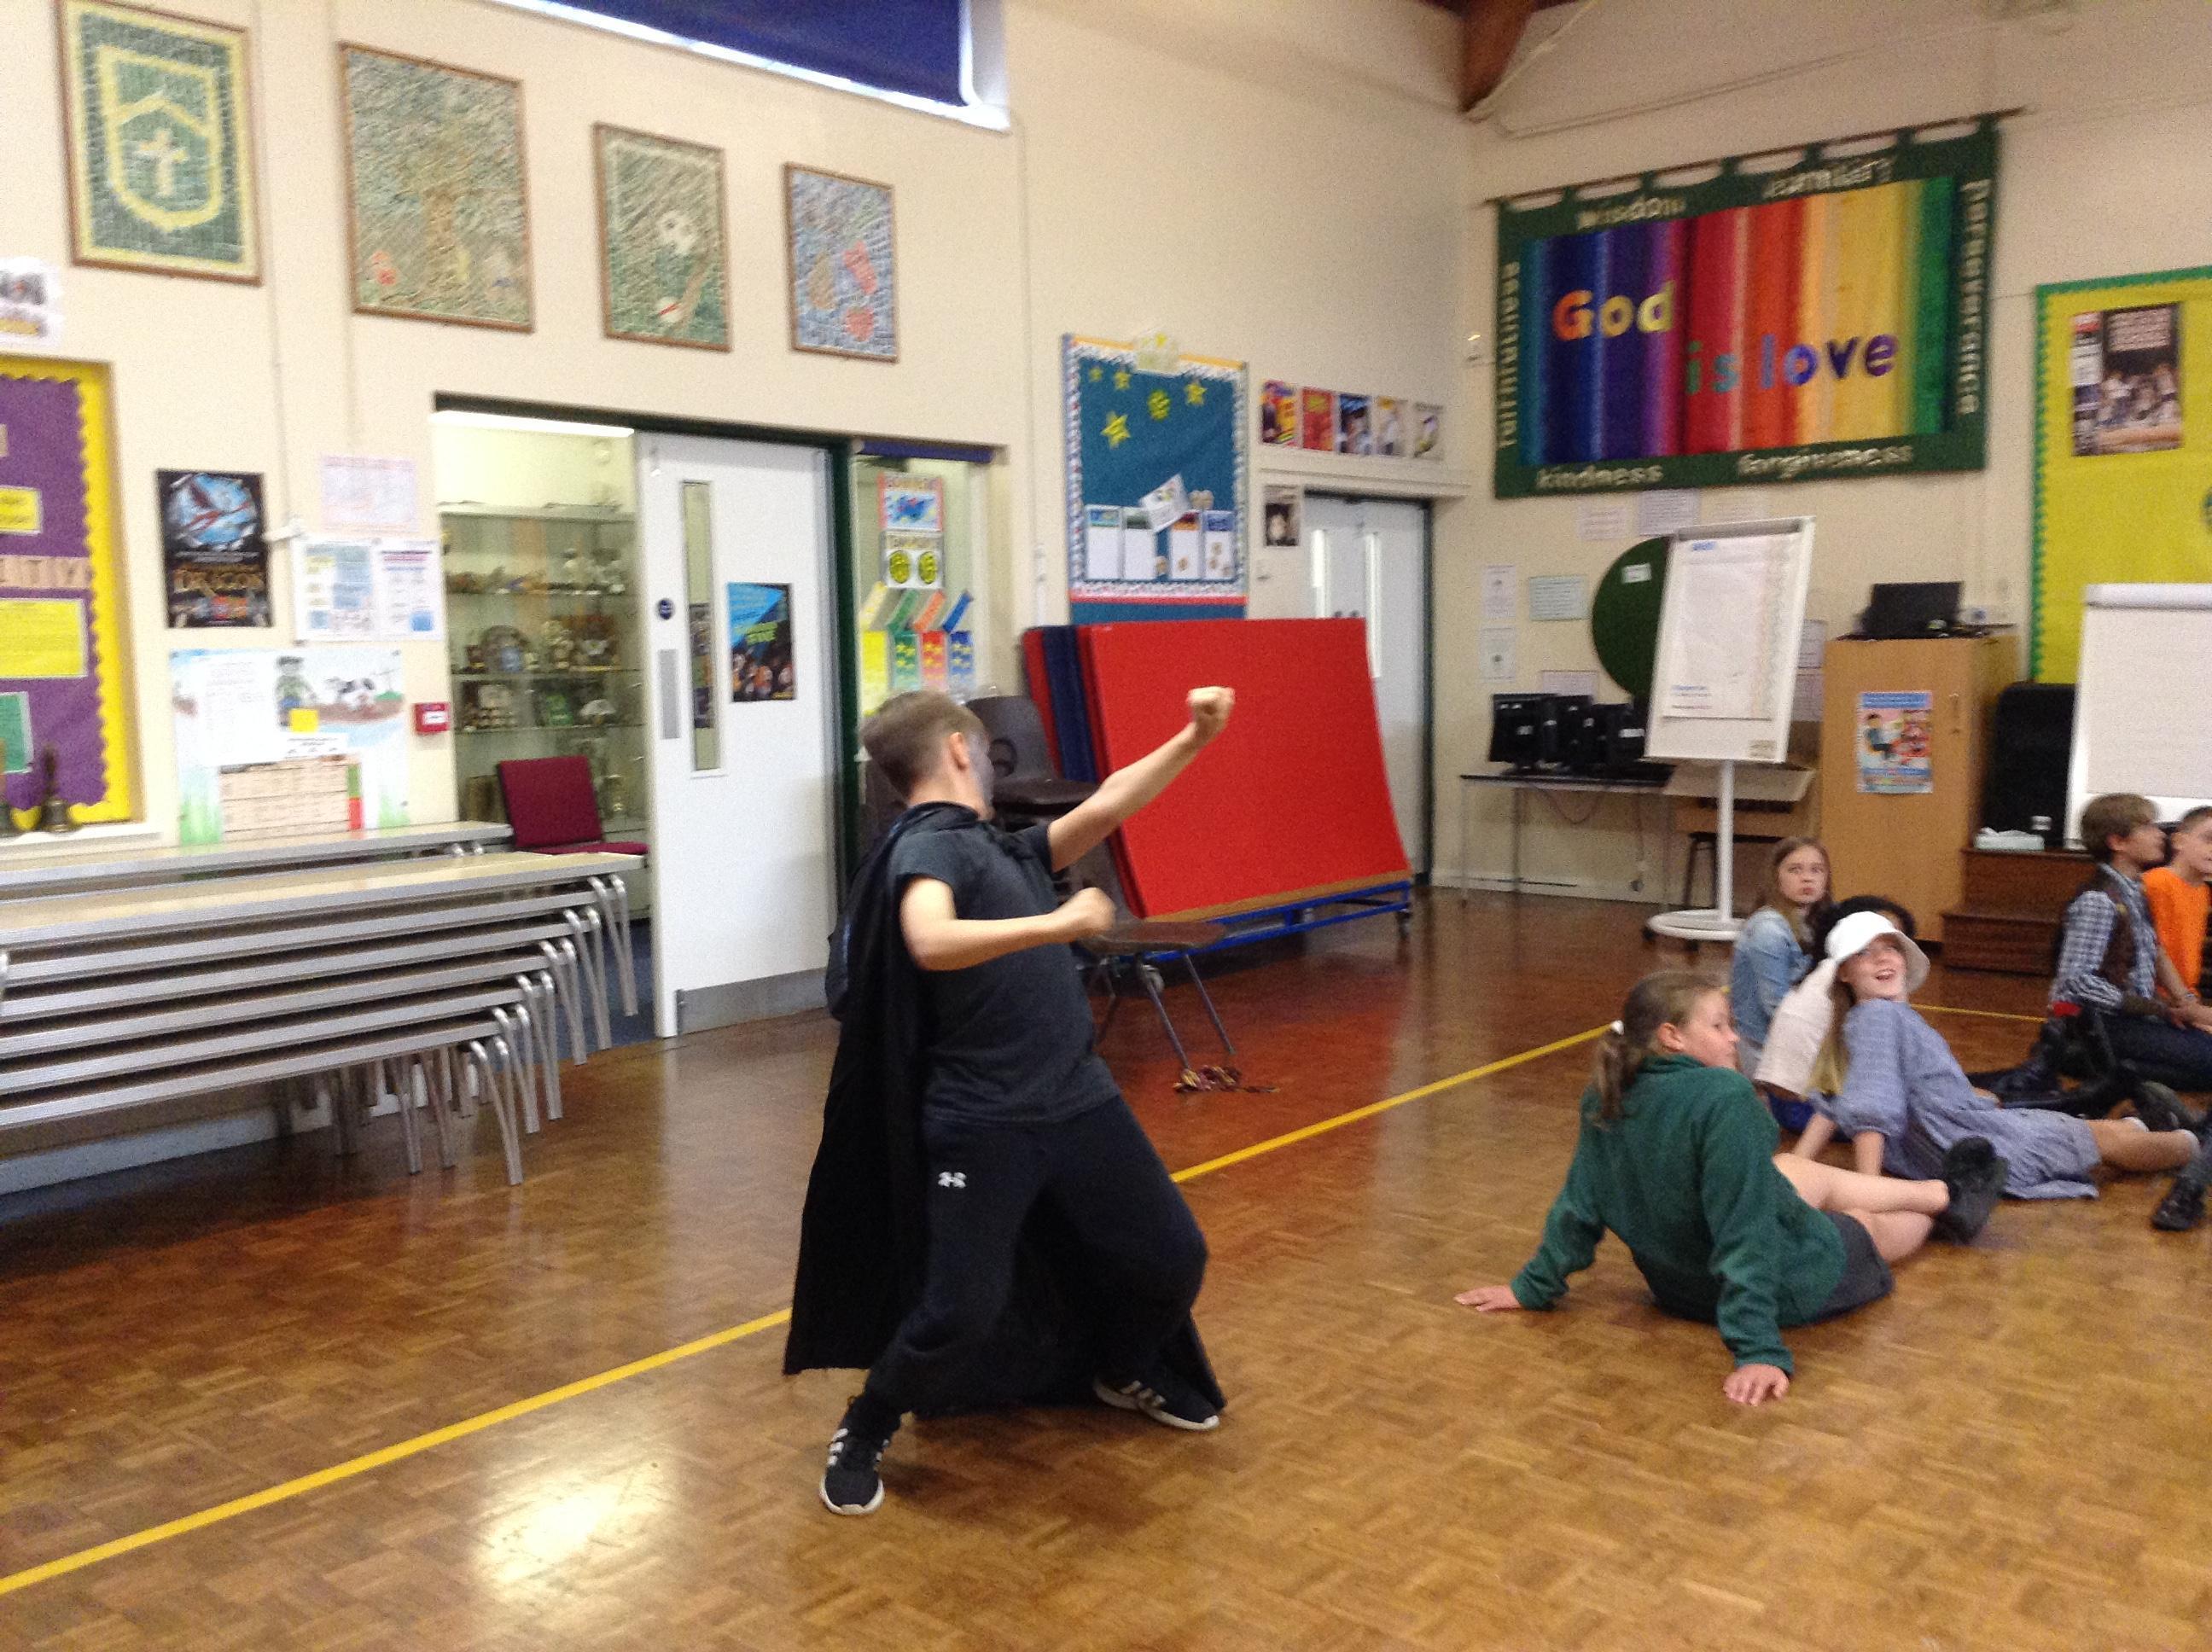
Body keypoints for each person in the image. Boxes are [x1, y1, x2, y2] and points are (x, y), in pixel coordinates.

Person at [787, 685, 1236, 1516]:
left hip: (1080, 1102)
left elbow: (1108, 802)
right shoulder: (929, 847)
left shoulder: (1002, 849)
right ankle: (867, 1421)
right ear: (962, 750)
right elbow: (930, 938)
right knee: (960, 1309)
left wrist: (1193, 738)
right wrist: (1058, 925)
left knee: (1174, 1254)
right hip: (983, 1121)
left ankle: (1121, 1366)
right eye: (984, 750)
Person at [1456, 970, 2007, 1407]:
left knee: (1796, 1169)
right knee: (1864, 1226)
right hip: (1783, 1291)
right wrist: (1757, 1348)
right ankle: (1943, 1212)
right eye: (1719, 1026)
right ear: (1672, 1037)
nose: (1734, 1037)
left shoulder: (1608, 1092)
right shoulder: (1723, 1097)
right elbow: (1743, 1230)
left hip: (1680, 1289)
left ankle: (1939, 1191)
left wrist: (1532, 1287)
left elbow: (1579, 1205)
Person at [1815, 910, 2201, 1197]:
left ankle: (2151, 1125)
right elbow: (1872, 1105)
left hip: (1963, 1130)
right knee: (2104, 1142)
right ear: (1844, 973)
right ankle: (2194, 1144)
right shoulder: (1878, 1018)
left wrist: (1798, 1162)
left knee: (2092, 1131)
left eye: (1890, 948)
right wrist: (1868, 1189)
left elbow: (1837, 1100)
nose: (1883, 958)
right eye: (1865, 953)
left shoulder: (1868, 1019)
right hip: (1964, 1141)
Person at [1730, 838, 1831, 1123]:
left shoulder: (1817, 922)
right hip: (1768, 1048)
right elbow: (1776, 1007)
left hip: (1797, 1036)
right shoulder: (1769, 930)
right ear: (1776, 877)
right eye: (1795, 870)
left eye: (1816, 870)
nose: (1807, 878)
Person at [2143, 805, 2211, 1000]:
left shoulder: (2203, 890)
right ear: (2179, 841)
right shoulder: (2156, 883)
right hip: (2157, 999)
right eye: (2208, 839)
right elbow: (2152, 953)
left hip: (2186, 996)